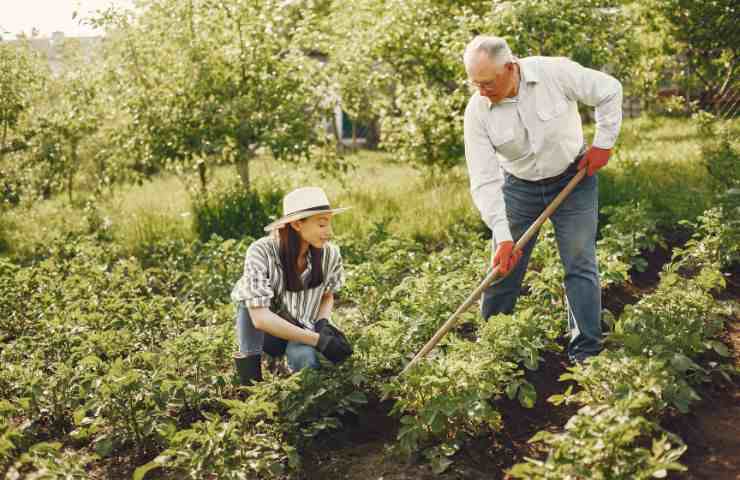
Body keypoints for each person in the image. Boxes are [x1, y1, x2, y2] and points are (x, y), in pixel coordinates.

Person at [462, 35, 623, 363]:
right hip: (518, 188)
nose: (481, 91)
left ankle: (586, 354)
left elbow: (609, 89)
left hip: (573, 178)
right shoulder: (478, 111)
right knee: (502, 268)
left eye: (488, 82)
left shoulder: (554, 73)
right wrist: (504, 236)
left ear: (510, 68)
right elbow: (484, 179)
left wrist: (603, 144)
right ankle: (492, 350)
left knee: (579, 263)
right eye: (474, 83)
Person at [231, 186, 353, 386]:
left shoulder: (330, 254)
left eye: (330, 223)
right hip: (268, 333)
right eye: (322, 225)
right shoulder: (262, 251)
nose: (329, 233)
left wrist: (322, 323)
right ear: (297, 224)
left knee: (306, 362)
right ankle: (250, 385)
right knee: (247, 302)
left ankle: (309, 399)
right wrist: (318, 341)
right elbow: (260, 319)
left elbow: (327, 295)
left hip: (303, 328)